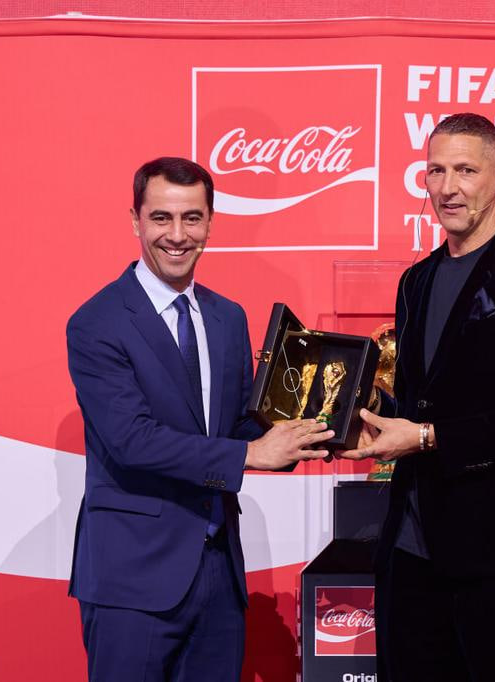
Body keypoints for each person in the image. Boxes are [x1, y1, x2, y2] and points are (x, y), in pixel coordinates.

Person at [66, 157, 333, 682]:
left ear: (210, 223)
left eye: (192, 218)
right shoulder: (97, 322)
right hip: (133, 577)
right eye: (161, 218)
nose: (177, 235)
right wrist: (250, 453)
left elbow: (238, 427)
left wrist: (319, 428)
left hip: (218, 573)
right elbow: (131, 441)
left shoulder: (227, 316)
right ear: (135, 221)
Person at [341, 113, 495, 681]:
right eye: (436, 171)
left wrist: (428, 437)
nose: (448, 187)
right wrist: (362, 419)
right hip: (412, 549)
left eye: (465, 170)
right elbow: (418, 404)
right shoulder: (417, 280)